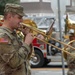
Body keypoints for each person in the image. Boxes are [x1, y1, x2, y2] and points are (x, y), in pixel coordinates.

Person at [0, 3, 34, 75]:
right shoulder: (2, 36)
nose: (22, 20)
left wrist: (26, 36)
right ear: (9, 17)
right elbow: (14, 62)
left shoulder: (14, 34)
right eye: (19, 17)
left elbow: (26, 57)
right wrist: (26, 43)